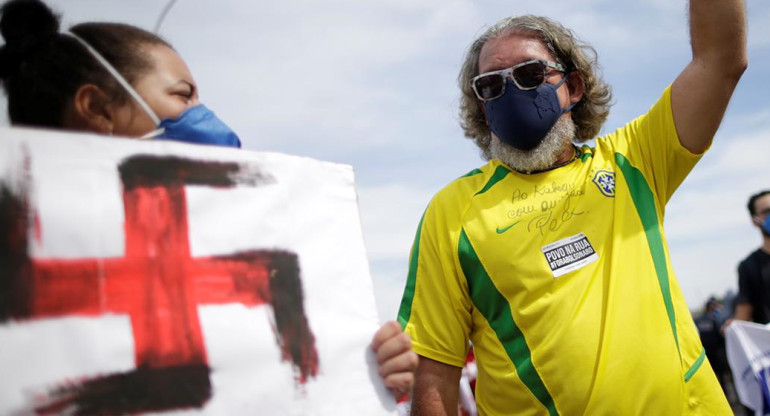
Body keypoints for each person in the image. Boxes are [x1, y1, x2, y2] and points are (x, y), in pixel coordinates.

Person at [0, 0, 417, 399]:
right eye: (184, 96)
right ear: (96, 109)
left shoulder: (244, 244)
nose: (208, 119)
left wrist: (362, 371)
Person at [397, 1, 747, 414]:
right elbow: (435, 368)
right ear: (482, 110)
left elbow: (720, 59)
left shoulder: (632, 161)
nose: (511, 93)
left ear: (574, 88)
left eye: (530, 74)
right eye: (490, 85)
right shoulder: (453, 212)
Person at [734, 190, 770, 326]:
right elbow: (744, 312)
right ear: (755, 221)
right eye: (766, 212)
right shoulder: (748, 266)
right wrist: (734, 328)